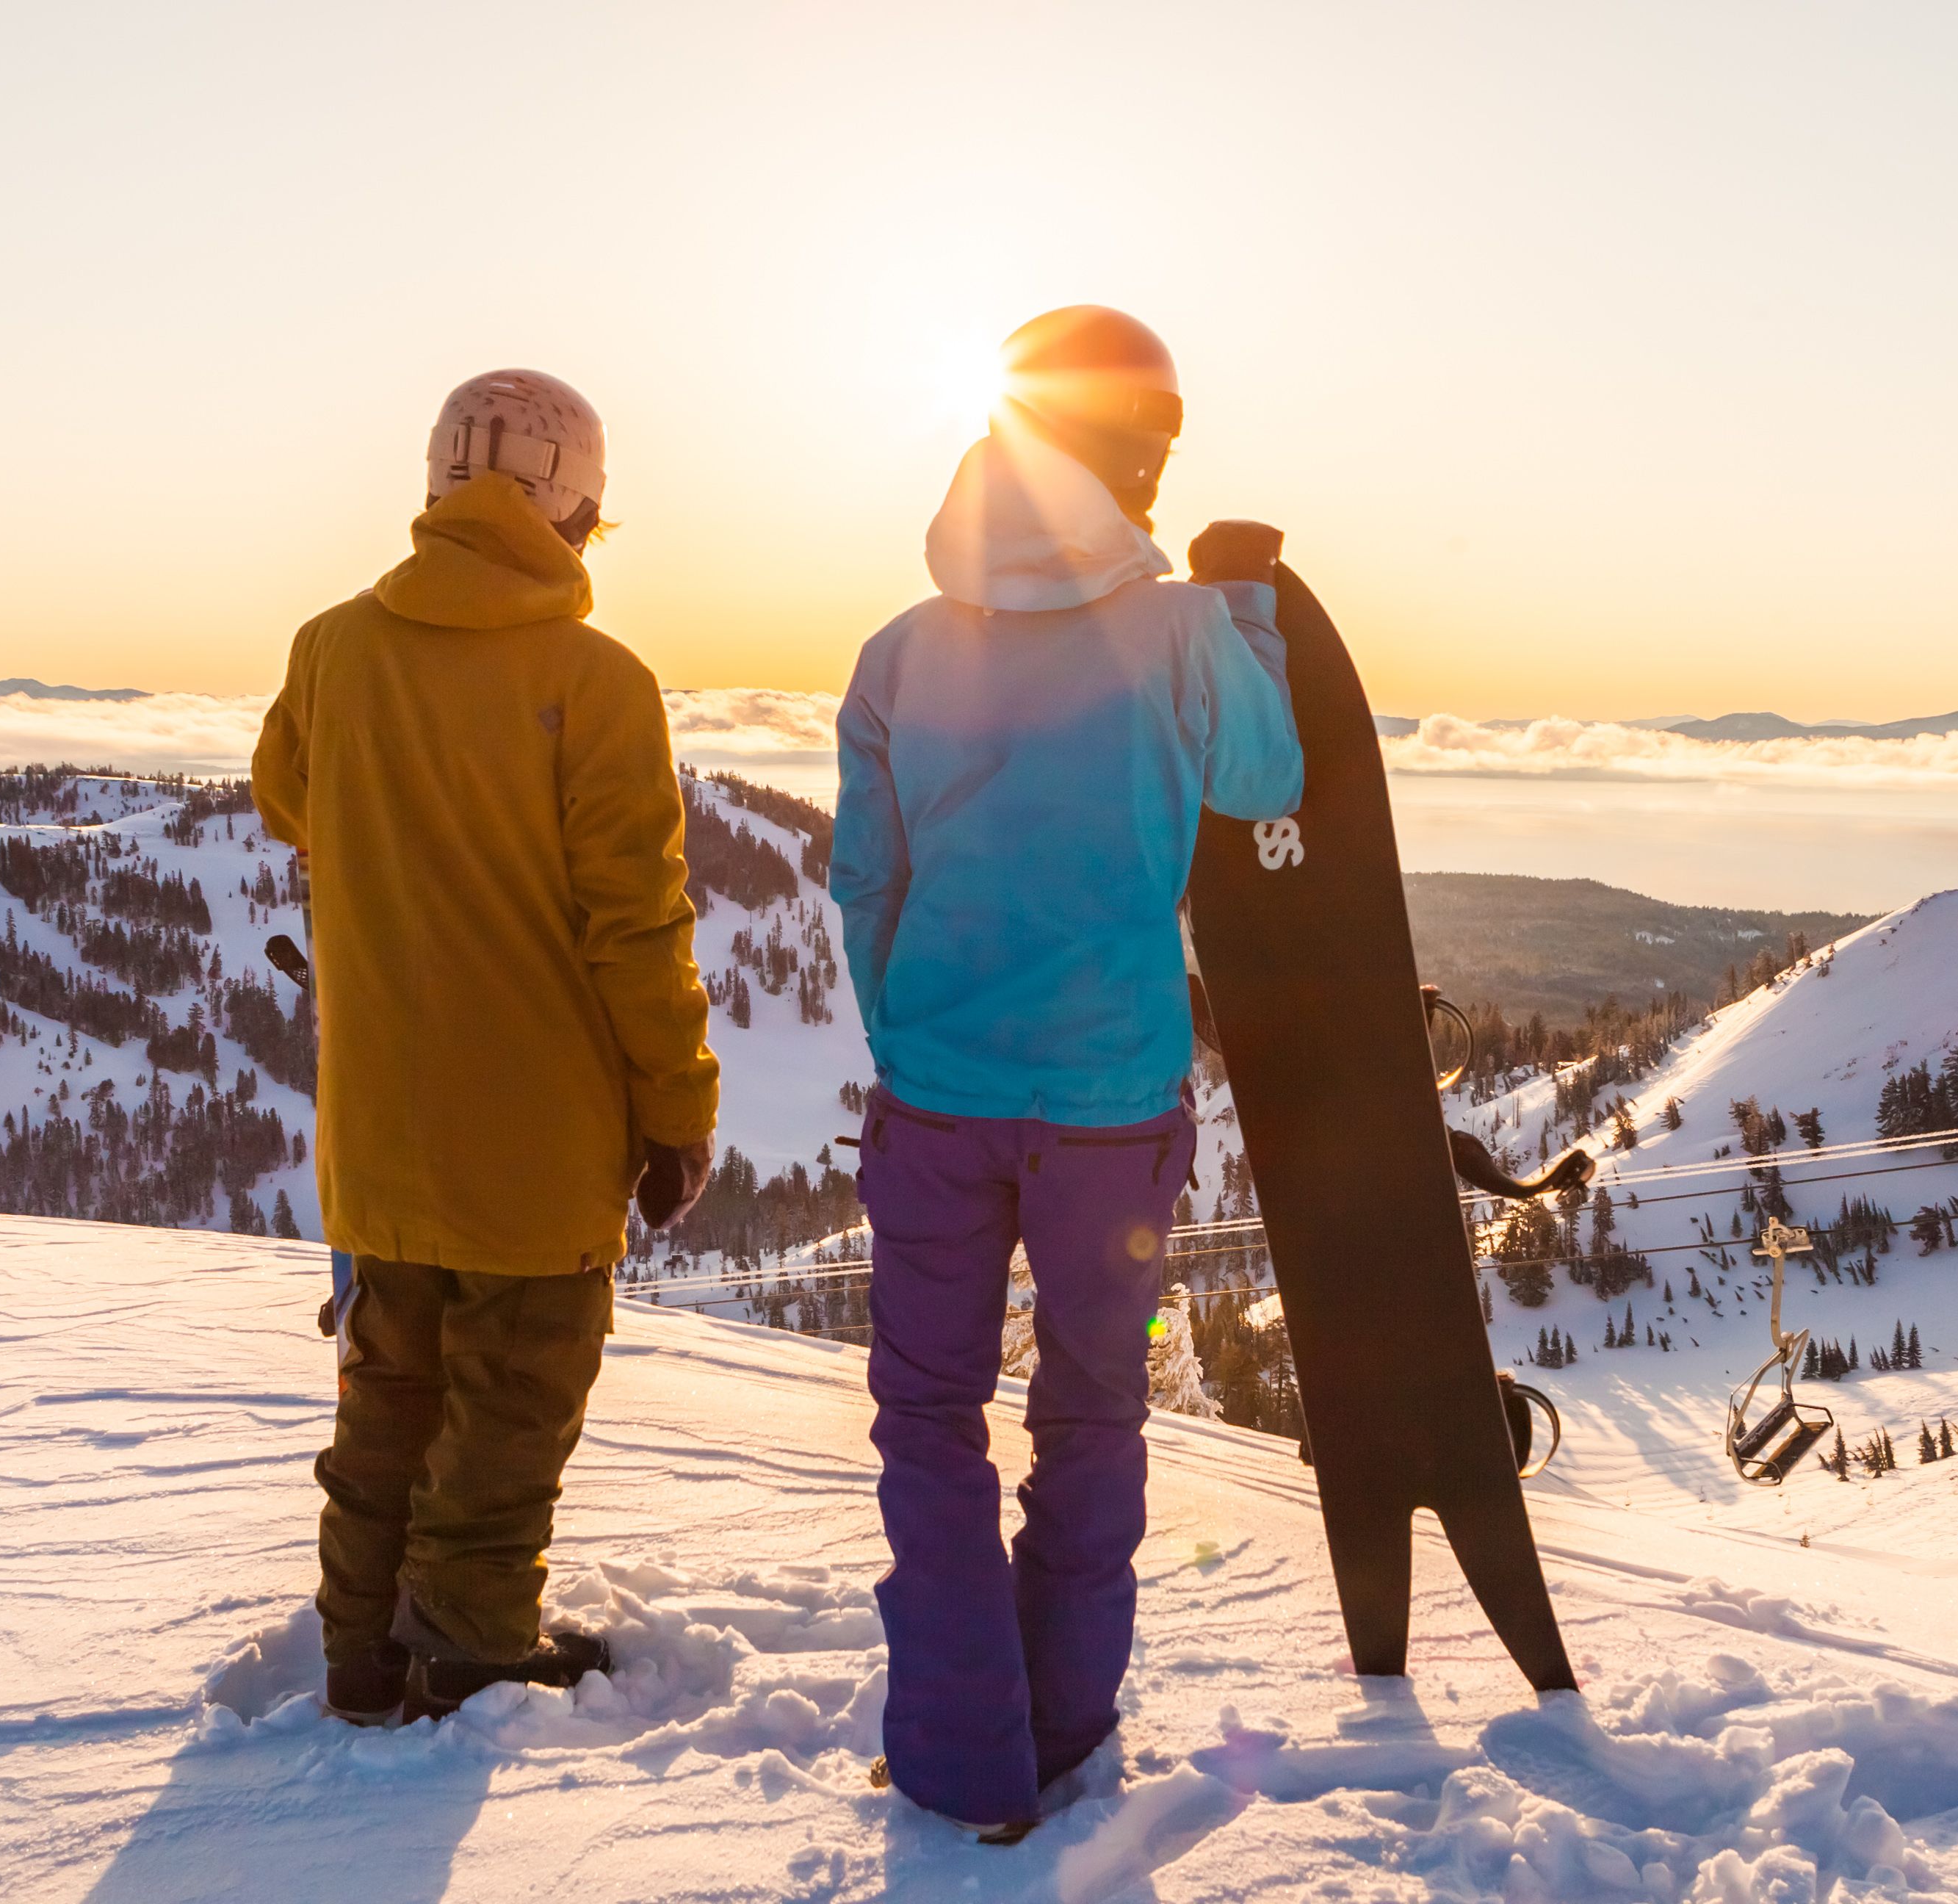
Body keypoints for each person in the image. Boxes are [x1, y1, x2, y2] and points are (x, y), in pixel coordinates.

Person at [829, 307, 1304, 1836]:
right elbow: (1266, 777)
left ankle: (966, 1756)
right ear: (1140, 451)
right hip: (1110, 1111)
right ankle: (1064, 1733)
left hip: (940, 1102)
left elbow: (863, 884)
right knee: (1091, 1423)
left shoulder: (902, 650)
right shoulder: (1174, 630)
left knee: (929, 1420)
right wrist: (1243, 609)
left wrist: (912, 1039)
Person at [253, 369, 721, 1726]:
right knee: (510, 1406)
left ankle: (360, 1647)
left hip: (382, 1123)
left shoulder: (333, 647)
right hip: (541, 1134)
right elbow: (638, 925)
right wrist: (677, 1109)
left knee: (387, 1394)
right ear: (577, 510)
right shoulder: (598, 680)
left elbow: (289, 795)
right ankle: (463, 1645)